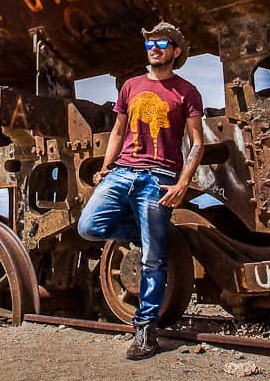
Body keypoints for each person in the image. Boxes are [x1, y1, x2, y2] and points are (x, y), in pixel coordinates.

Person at [77, 21, 204, 360]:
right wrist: (107, 166)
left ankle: (145, 329)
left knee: (152, 259)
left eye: (161, 43)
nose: (154, 48)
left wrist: (182, 183)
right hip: (123, 172)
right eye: (149, 43)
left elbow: (197, 142)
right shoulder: (131, 86)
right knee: (89, 226)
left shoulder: (186, 91)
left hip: (159, 176)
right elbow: (118, 130)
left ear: (175, 51)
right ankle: (149, 234)